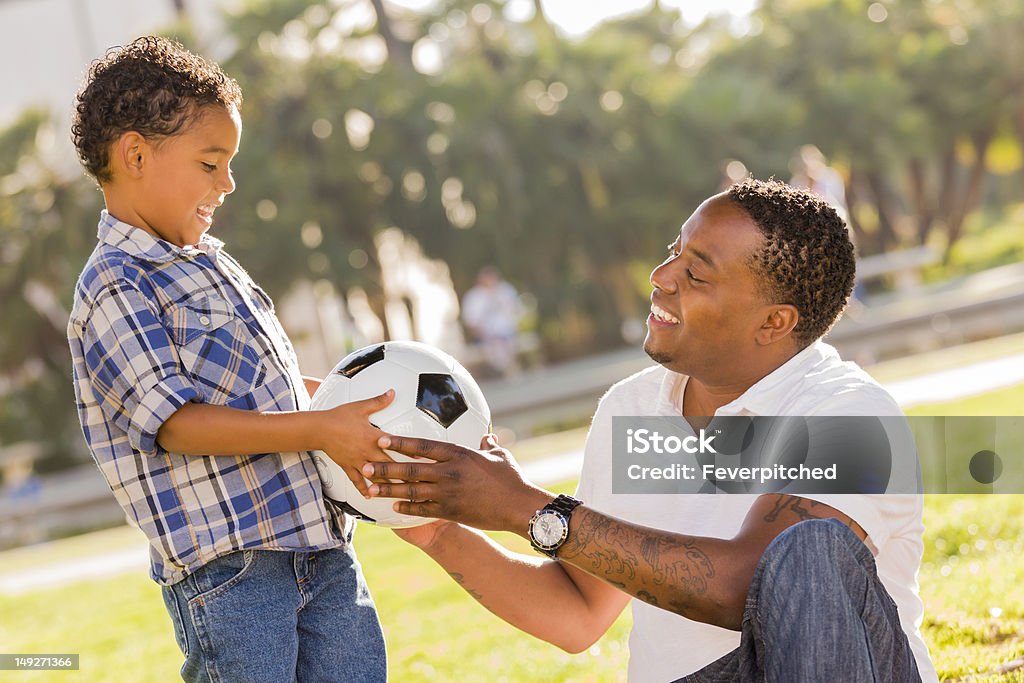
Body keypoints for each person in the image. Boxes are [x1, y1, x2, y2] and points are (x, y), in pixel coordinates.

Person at [362, 179, 937, 682]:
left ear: (774, 322)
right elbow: (579, 611)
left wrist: (524, 508)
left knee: (807, 550)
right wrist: (439, 529)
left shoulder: (850, 414)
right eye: (673, 254)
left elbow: (747, 586)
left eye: (696, 273)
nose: (661, 278)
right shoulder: (632, 408)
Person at [67, 37, 391, 682]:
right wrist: (320, 429)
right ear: (135, 154)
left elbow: (262, 389)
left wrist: (352, 407)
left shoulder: (212, 262)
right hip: (233, 571)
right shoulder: (115, 286)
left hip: (319, 547)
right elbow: (177, 423)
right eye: (211, 163)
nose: (229, 183)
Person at [461, 266, 523, 376]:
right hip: (486, 337)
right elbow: (471, 324)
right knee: (496, 348)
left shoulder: (505, 290)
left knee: (506, 345)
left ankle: (510, 373)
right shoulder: (474, 297)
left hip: (508, 334)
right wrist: (486, 336)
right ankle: (507, 373)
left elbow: (516, 311)